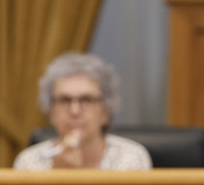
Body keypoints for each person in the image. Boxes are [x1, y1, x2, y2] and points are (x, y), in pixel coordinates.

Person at [12, 52, 152, 170]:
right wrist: (58, 174)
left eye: (87, 100)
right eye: (64, 100)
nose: (75, 111)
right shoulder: (29, 162)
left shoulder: (131, 157)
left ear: (105, 111)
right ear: (51, 111)